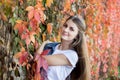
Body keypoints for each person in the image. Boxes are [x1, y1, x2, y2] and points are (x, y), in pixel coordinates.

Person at [36, 15, 91, 80]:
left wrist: (44, 43)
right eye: (65, 26)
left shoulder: (72, 55)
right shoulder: (52, 46)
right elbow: (35, 62)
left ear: (77, 36)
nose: (66, 30)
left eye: (71, 29)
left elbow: (39, 60)